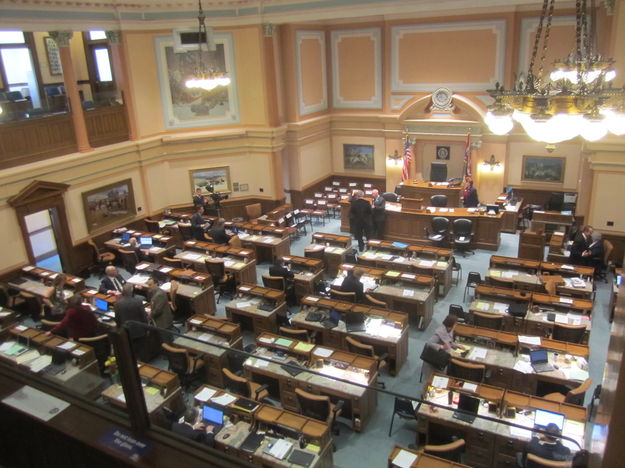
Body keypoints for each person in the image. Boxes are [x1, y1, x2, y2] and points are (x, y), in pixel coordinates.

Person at [421, 314, 461, 382]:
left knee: (439, 380)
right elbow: (429, 343)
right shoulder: (440, 332)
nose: (456, 325)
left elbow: (449, 341)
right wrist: (441, 347)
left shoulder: (449, 330)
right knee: (429, 381)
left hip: (441, 359)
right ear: (451, 324)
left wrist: (456, 346)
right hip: (433, 359)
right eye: (455, 324)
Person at [114, 284, 148, 359]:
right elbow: (143, 317)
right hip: (139, 330)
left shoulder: (117, 304)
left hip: (126, 331)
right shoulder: (138, 301)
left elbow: (117, 319)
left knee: (131, 350)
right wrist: (146, 328)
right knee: (141, 350)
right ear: (132, 291)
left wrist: (121, 329)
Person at [146, 276, 174, 344]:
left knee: (167, 341)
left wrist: (149, 316)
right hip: (161, 321)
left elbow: (157, 311)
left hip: (163, 322)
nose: (149, 287)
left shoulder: (159, 294)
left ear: (156, 284)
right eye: (148, 285)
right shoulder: (154, 292)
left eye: (150, 285)